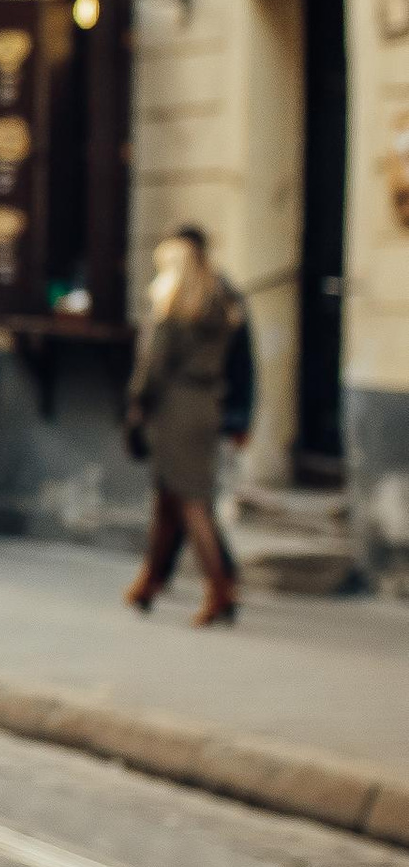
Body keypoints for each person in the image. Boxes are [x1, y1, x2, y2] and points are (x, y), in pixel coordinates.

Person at [124, 224, 251, 628]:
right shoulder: (222, 298)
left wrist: (137, 400)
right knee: (169, 498)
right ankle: (150, 581)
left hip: (175, 408)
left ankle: (220, 588)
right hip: (207, 404)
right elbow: (242, 359)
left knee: (193, 502)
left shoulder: (175, 299)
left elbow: (155, 364)